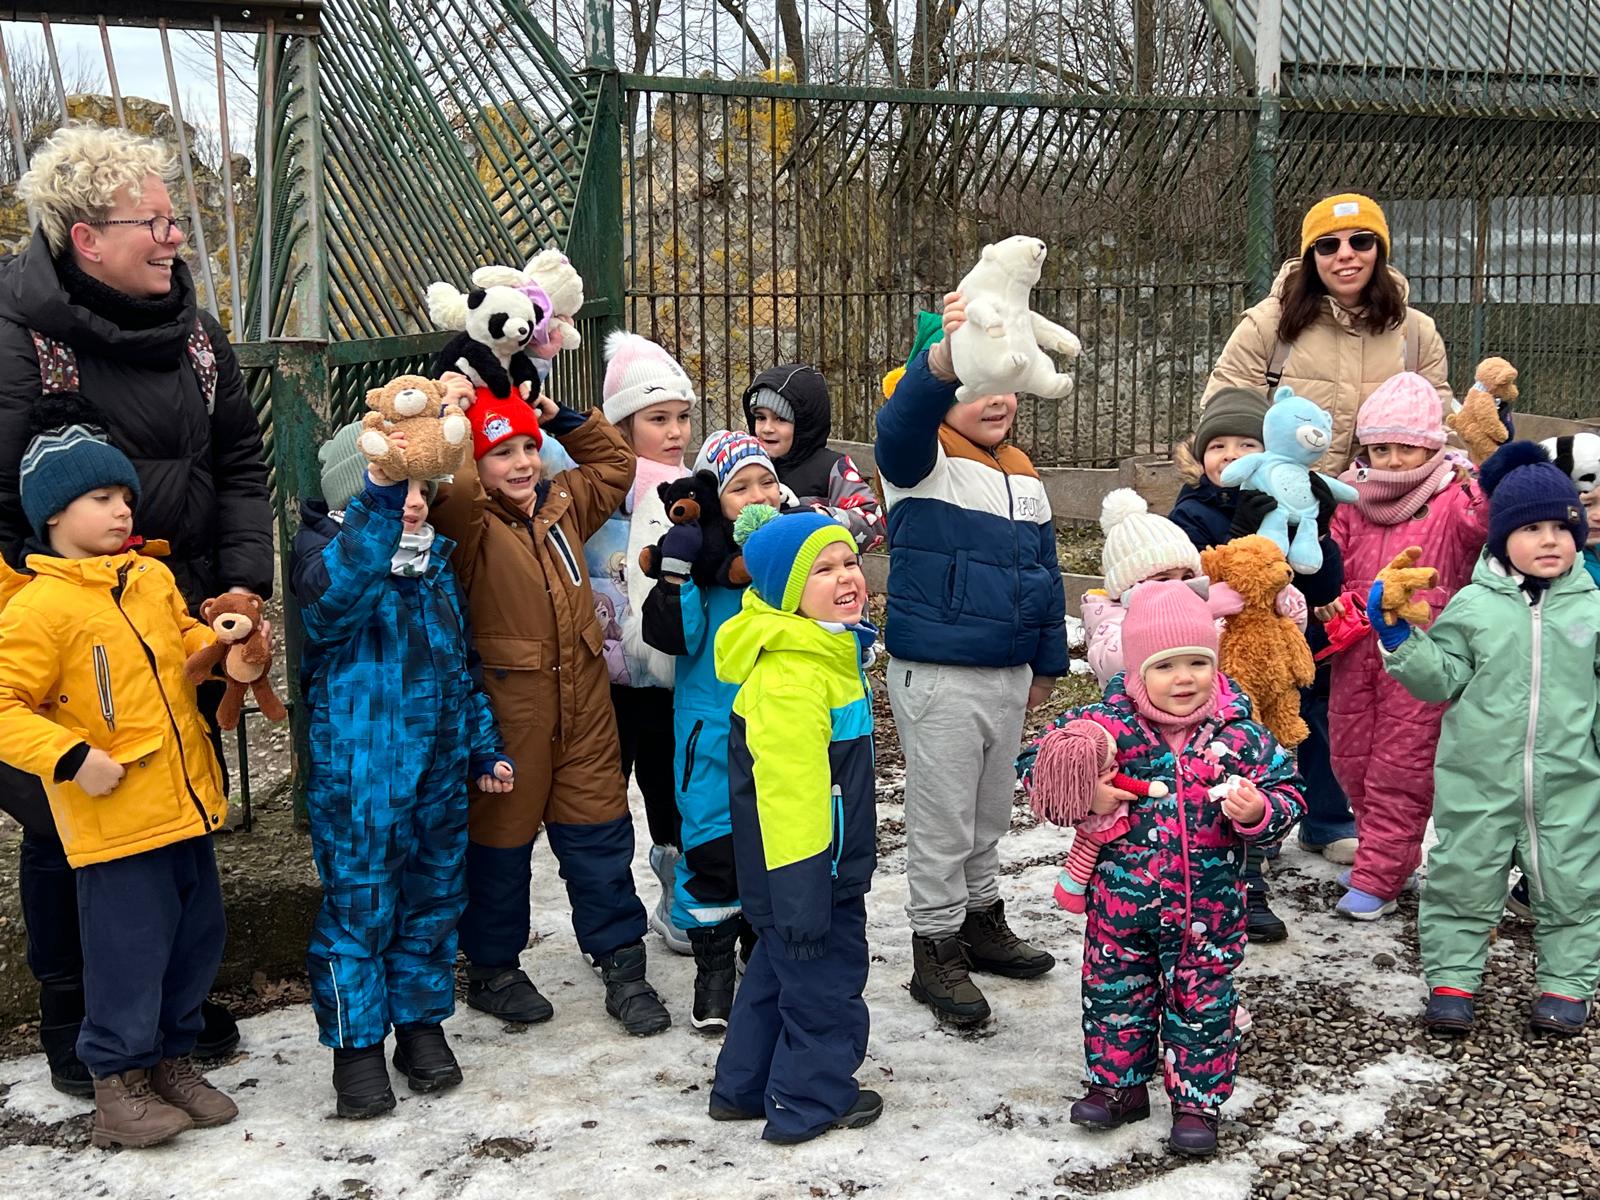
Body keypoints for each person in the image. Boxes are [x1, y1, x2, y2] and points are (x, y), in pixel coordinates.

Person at [0, 122, 272, 1096]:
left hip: (173, 616)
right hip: (55, 620)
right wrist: (48, 611)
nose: (174, 237)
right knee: (66, 819)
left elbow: (238, 463)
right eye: (151, 221)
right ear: (86, 238)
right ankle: (76, 1014)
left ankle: (162, 1016)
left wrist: (239, 585)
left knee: (166, 817)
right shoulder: (17, 339)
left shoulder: (194, 335)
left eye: (174, 218)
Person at [0, 400, 239, 1148]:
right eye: (101, 497)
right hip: (115, 822)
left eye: (125, 496)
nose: (121, 510)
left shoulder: (150, 578)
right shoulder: (38, 608)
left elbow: (183, 639)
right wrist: (70, 758)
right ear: (52, 513)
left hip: (185, 803)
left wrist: (219, 646)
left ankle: (171, 1061)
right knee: (126, 955)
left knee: (196, 939)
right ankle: (116, 1084)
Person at [1019, 580, 1305, 1156]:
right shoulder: (1105, 726)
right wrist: (1085, 792)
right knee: (1114, 995)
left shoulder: (1239, 734)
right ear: (1136, 670)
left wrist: (1259, 811)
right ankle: (1118, 1087)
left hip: (1210, 910)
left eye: (1198, 662)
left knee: (1204, 1004)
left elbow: (1289, 791)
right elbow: (1037, 764)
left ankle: (1196, 1102)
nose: (1184, 678)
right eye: (1165, 665)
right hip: (1120, 907)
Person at [431, 382, 671, 1037]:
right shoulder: (469, 525)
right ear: (477, 463)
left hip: (586, 710)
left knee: (601, 840)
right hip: (511, 717)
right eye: (501, 452)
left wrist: (560, 417)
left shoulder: (562, 503)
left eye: (527, 448)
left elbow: (616, 464)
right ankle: (493, 970)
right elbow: (455, 492)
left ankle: (623, 965)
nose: (521, 464)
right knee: (501, 849)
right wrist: (457, 421)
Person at [291, 421, 513, 1118]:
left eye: (421, 488)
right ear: (354, 494)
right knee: (360, 908)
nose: (413, 502)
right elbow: (334, 603)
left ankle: (419, 1024)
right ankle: (356, 1046)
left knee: (433, 900)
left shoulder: (433, 564)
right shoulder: (327, 558)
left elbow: (462, 666)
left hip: (437, 773)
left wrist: (482, 745)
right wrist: (379, 508)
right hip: (361, 779)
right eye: (394, 487)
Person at [875, 299, 1066, 1028]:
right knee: (943, 819)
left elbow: (1044, 573)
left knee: (988, 811)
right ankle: (934, 947)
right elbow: (901, 421)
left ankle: (981, 919)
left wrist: (1046, 660)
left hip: (1007, 671)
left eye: (1005, 383)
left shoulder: (1021, 470)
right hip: (941, 673)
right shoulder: (920, 459)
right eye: (975, 383)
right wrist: (943, 360)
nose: (995, 399)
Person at [1376, 441, 1600, 1039]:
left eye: (1563, 527)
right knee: (1463, 876)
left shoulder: (1592, 608)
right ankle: (1452, 982)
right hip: (1479, 776)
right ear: (1501, 538)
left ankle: (1566, 985)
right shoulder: (1474, 606)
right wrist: (1401, 642)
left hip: (1570, 780)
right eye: (1532, 528)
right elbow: (1443, 677)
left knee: (1574, 883)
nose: (1550, 539)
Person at [706, 505, 881, 1144]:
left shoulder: (821, 649)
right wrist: (804, 897)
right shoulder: (793, 677)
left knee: (777, 973)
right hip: (808, 870)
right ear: (785, 592)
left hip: (801, 870)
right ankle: (807, 1102)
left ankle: (743, 1087)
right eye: (822, 571)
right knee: (825, 986)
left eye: (849, 562)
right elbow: (790, 799)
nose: (846, 577)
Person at [1168, 386, 1351, 944]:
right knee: (1227, 753)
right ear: (1201, 456)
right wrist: (1241, 534)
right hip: (1222, 658)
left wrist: (1319, 528)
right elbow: (1195, 581)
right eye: (1217, 446)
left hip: (1286, 653)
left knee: (1289, 740)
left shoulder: (1296, 498)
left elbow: (1323, 585)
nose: (1229, 455)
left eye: (1245, 444)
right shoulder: (1192, 511)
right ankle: (1239, 868)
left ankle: (1289, 832)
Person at [1318, 373, 1488, 921]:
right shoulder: (1350, 498)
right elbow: (1328, 563)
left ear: (1432, 445)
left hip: (1421, 653)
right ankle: (1384, 854)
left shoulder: (1454, 496)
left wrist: (1485, 466)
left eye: (1406, 447)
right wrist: (1327, 601)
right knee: (1351, 758)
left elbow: (1487, 524)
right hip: (1355, 649)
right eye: (1380, 448)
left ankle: (1381, 876)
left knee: (1401, 766)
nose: (1392, 460)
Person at [641, 429, 782, 1033]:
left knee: (773, 853)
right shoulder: (701, 564)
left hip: (780, 734)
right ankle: (714, 971)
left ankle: (762, 955)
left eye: (767, 481)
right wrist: (677, 574)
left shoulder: (792, 560)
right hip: (713, 735)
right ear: (713, 498)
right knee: (714, 854)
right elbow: (675, 638)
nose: (758, 496)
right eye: (739, 486)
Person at [585, 333, 696, 955]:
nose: (675, 432)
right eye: (658, 419)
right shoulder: (597, 489)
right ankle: (606, 911)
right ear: (623, 426)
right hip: (601, 677)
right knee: (602, 800)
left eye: (682, 416)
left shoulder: (693, 492)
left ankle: (676, 885)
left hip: (667, 674)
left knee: (670, 787)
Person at [1204, 192, 1450, 471]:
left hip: (1384, 495)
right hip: (1281, 493)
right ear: (1312, 256)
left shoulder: (1416, 333)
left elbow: (1440, 429)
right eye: (1328, 245)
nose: (1345, 254)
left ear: (1379, 249)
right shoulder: (1266, 326)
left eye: (1361, 241)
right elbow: (1224, 421)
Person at [741, 364, 884, 551]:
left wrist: (815, 517)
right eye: (760, 418)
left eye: (781, 419)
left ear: (804, 424)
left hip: (823, 566)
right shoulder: (749, 464)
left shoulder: (832, 468)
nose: (767, 428)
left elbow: (873, 522)